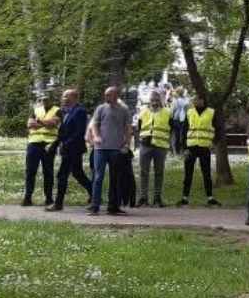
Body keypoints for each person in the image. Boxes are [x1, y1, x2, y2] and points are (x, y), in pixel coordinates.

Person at [88, 85, 132, 216]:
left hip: (116, 149)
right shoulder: (101, 108)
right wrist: (96, 136)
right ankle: (95, 206)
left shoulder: (124, 110)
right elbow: (95, 124)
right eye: (105, 94)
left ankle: (113, 206)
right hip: (100, 148)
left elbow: (128, 128)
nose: (106, 96)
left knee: (115, 178)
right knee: (98, 177)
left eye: (109, 94)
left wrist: (127, 144)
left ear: (116, 95)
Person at [50, 88, 91, 210]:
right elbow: (63, 131)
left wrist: (66, 144)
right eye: (63, 96)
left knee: (62, 175)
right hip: (67, 149)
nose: (63, 99)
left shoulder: (80, 111)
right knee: (78, 174)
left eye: (66, 96)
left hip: (74, 149)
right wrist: (55, 144)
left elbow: (79, 132)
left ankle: (58, 204)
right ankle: (94, 194)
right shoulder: (65, 111)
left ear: (74, 98)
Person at [179, 94, 222, 206]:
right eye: (194, 100)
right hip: (191, 147)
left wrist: (214, 143)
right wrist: (184, 147)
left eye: (197, 99)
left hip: (204, 147)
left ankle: (210, 198)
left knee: (206, 174)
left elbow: (218, 129)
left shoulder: (211, 112)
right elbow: (184, 130)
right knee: (188, 174)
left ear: (202, 100)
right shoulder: (189, 112)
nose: (195, 101)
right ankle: (184, 198)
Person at [23, 92, 60, 206]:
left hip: (49, 143)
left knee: (48, 171)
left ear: (52, 100)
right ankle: (27, 198)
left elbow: (53, 124)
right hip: (34, 142)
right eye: (43, 99)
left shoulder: (57, 110)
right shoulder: (36, 110)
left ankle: (49, 198)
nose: (44, 101)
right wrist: (45, 124)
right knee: (30, 171)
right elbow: (30, 124)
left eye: (47, 99)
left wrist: (38, 122)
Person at [136, 89, 170, 206]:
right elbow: (139, 127)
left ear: (161, 100)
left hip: (160, 146)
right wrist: (139, 142)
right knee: (143, 172)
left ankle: (157, 198)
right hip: (145, 145)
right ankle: (143, 197)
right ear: (149, 100)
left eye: (157, 99)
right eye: (152, 100)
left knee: (159, 173)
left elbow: (172, 129)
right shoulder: (143, 111)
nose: (154, 102)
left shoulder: (167, 112)